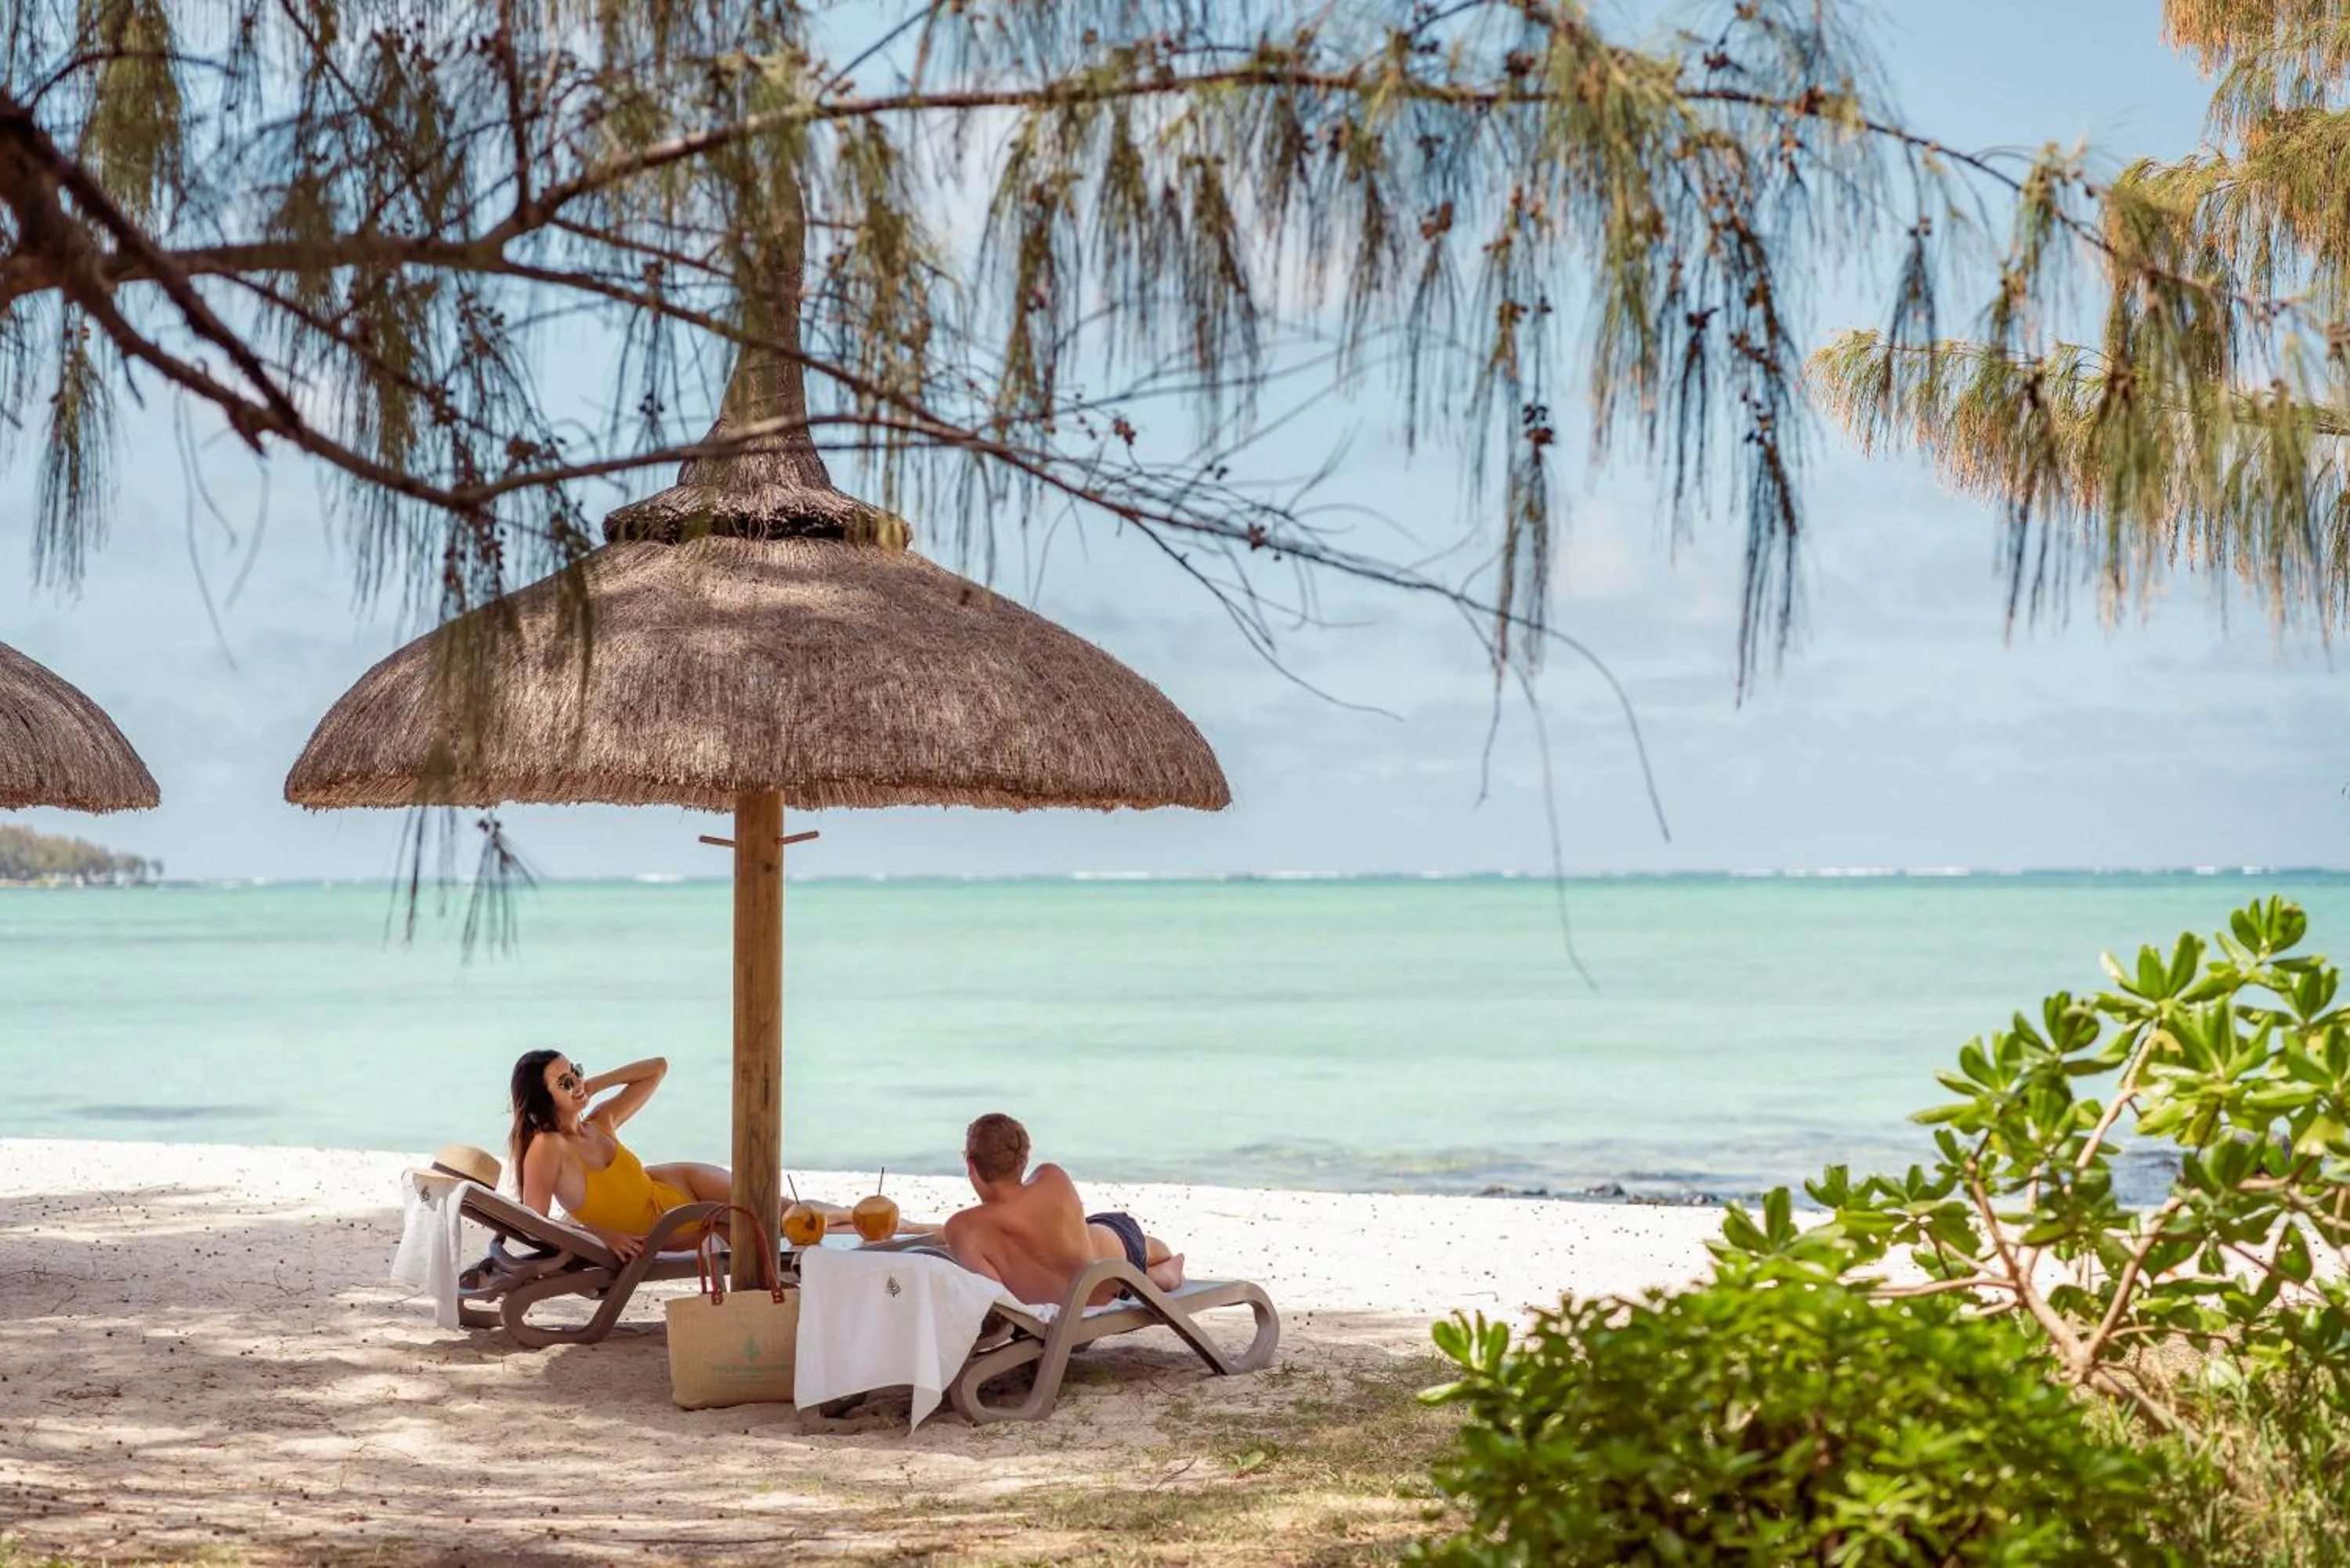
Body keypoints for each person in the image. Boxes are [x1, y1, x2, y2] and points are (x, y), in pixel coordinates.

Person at [506, 1049, 849, 1260]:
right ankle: (857, 1221)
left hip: (681, 1184)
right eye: (564, 1082)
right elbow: (535, 1225)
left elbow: (657, 1067)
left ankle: (862, 1219)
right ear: (542, 1099)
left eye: (576, 1071)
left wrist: (591, 1086)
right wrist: (603, 1235)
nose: (576, 1082)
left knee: (778, 1211)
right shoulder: (547, 1147)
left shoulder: (599, 1122)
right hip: (666, 1232)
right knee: (774, 1225)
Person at [942, 1111, 1184, 1306]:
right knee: (1144, 1245)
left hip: (1084, 1296)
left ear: (971, 1164)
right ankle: (1159, 1275)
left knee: (1125, 1238)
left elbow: (999, 1301)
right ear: (1023, 1158)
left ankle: (1159, 1276)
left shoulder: (963, 1229)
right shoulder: (1051, 1177)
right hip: (1114, 1273)